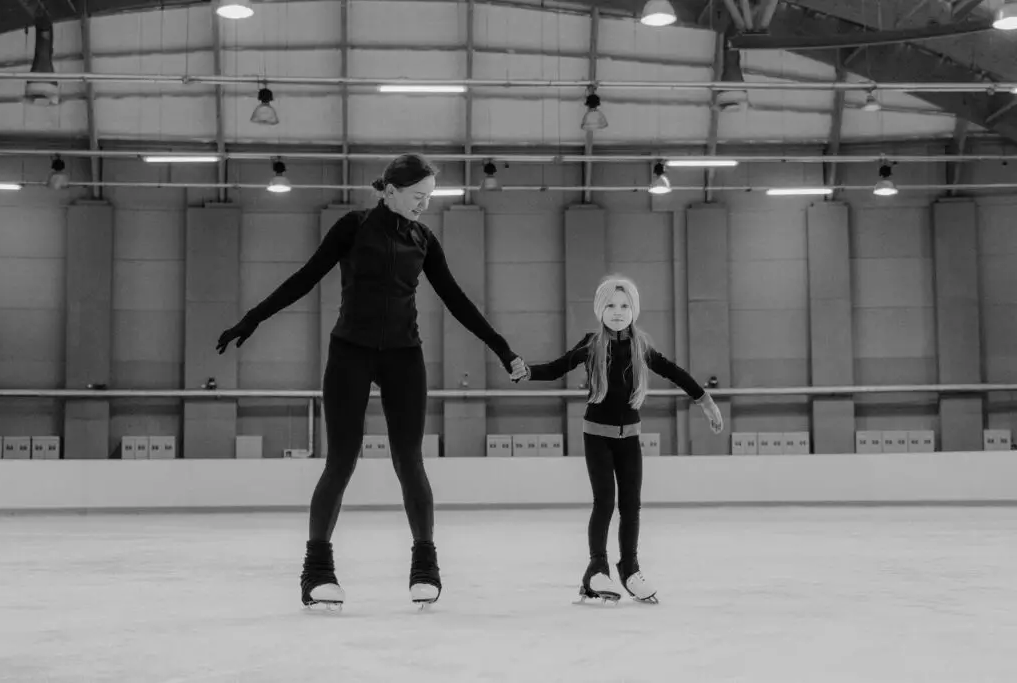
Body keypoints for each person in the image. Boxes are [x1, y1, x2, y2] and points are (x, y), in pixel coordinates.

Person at [216, 154, 528, 610]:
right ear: (391, 190)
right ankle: (317, 572)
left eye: (429, 198)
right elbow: (305, 278)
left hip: (404, 355)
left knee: (409, 461)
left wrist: (502, 348)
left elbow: (457, 299)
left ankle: (425, 566)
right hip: (351, 353)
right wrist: (252, 319)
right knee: (341, 461)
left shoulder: (424, 239)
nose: (424, 205)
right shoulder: (354, 226)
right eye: (418, 197)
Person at [514, 274, 722, 604]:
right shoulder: (591, 344)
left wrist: (705, 402)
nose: (617, 311)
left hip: (630, 439)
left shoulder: (641, 347)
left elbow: (674, 372)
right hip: (597, 436)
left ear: (634, 310)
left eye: (625, 305)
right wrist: (528, 371)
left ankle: (630, 568)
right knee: (605, 503)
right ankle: (597, 569)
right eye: (610, 305)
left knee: (631, 505)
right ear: (600, 309)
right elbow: (557, 368)